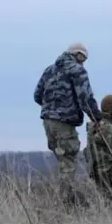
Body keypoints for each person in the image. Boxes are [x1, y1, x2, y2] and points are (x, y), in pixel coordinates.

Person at [34, 42, 103, 205]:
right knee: (69, 163)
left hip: (48, 123)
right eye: (84, 58)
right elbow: (85, 98)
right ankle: (66, 203)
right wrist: (97, 118)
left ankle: (66, 200)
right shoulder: (77, 70)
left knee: (63, 161)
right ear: (78, 55)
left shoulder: (49, 70)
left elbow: (37, 96)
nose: (84, 62)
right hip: (64, 123)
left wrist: (51, 108)